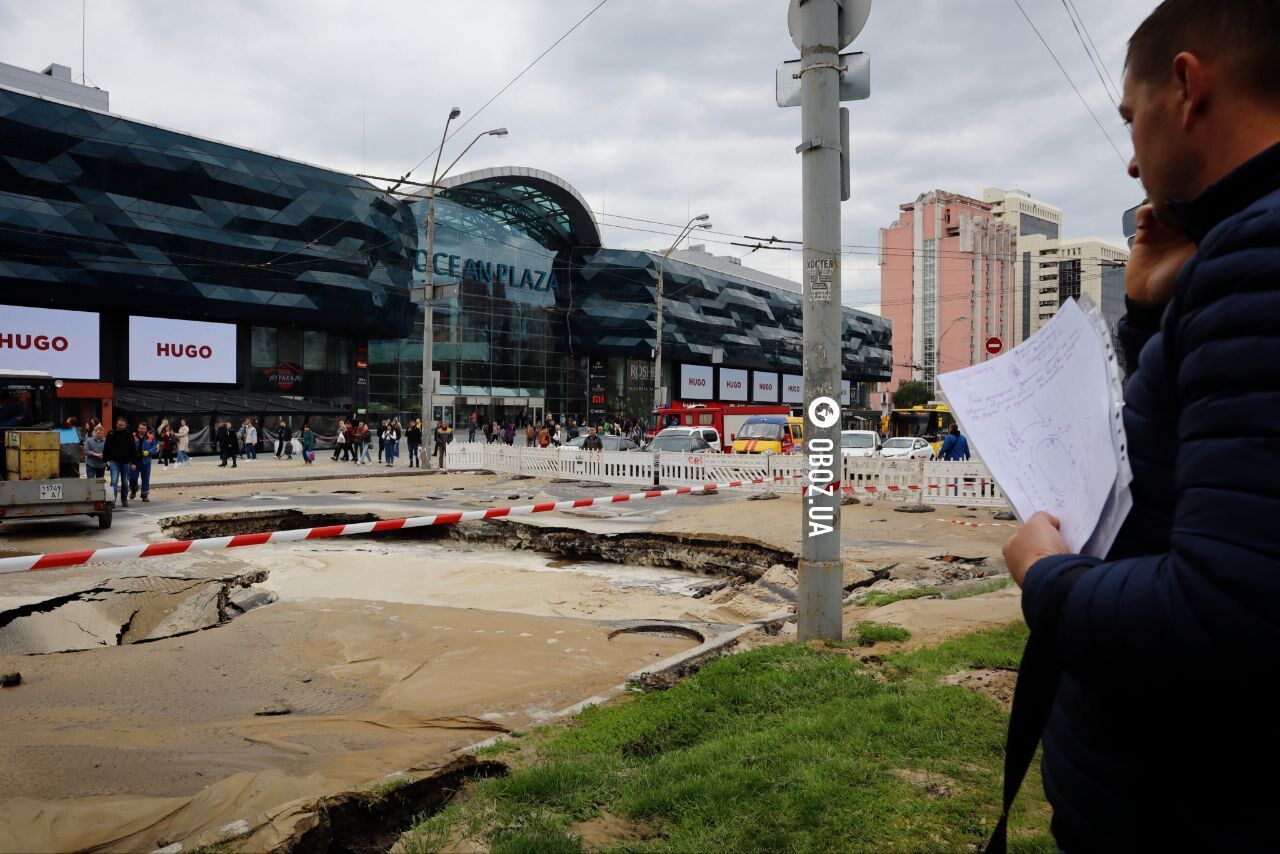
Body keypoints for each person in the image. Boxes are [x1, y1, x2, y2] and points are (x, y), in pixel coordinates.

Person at [996, 3, 1280, 849]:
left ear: (1187, 87)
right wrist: (1154, 315)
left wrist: (1046, 577)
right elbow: (1190, 465)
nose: (1129, 160)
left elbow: (1224, 617)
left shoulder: (1258, 255)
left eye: (1132, 117)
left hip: (1193, 803)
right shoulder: (1239, 251)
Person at [103, 417, 135, 506]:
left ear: (125, 425)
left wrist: (134, 463)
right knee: (114, 481)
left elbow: (133, 449)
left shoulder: (129, 435)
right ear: (116, 424)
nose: (120, 426)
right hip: (114, 461)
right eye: (119, 425)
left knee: (125, 481)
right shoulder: (111, 433)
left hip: (126, 462)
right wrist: (105, 460)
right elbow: (106, 447)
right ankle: (112, 501)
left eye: (122, 425)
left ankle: (124, 499)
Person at [128, 421, 157, 502]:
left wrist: (149, 452)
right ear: (138, 428)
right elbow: (128, 447)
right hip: (134, 461)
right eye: (140, 428)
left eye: (144, 428)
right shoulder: (132, 436)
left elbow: (155, 448)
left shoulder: (151, 437)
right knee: (132, 478)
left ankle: (144, 495)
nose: (142, 430)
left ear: (146, 429)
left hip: (146, 461)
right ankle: (134, 490)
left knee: (145, 478)